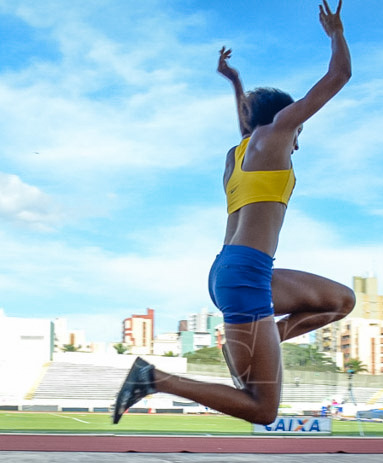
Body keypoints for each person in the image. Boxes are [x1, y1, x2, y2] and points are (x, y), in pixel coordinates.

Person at [113, 1, 353, 425]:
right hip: (245, 274)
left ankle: (272, 337)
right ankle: (154, 378)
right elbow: (338, 77)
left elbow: (247, 124)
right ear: (284, 119)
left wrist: (236, 82)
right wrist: (335, 33)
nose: (297, 141)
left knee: (341, 301)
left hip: (233, 271)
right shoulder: (274, 135)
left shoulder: (236, 154)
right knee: (262, 408)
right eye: (298, 130)